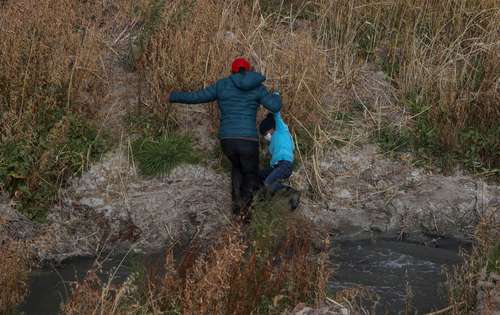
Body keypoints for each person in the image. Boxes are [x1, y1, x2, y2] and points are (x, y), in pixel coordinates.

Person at [165, 58, 281, 217]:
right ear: (248, 71)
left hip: (227, 141)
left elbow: (197, 96)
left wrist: (174, 95)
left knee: (237, 167)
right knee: (250, 173)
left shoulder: (222, 85)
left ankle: (236, 208)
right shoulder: (257, 87)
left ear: (232, 71)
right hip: (247, 140)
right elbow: (275, 106)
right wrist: (277, 95)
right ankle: (245, 213)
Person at [258, 111, 300, 209]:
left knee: (268, 183)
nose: (266, 136)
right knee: (259, 175)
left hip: (285, 165)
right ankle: (264, 195)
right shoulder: (272, 142)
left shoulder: (281, 130)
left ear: (271, 128)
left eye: (265, 133)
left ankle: (293, 193)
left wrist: (274, 98)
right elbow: (269, 154)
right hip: (276, 167)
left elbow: (277, 113)